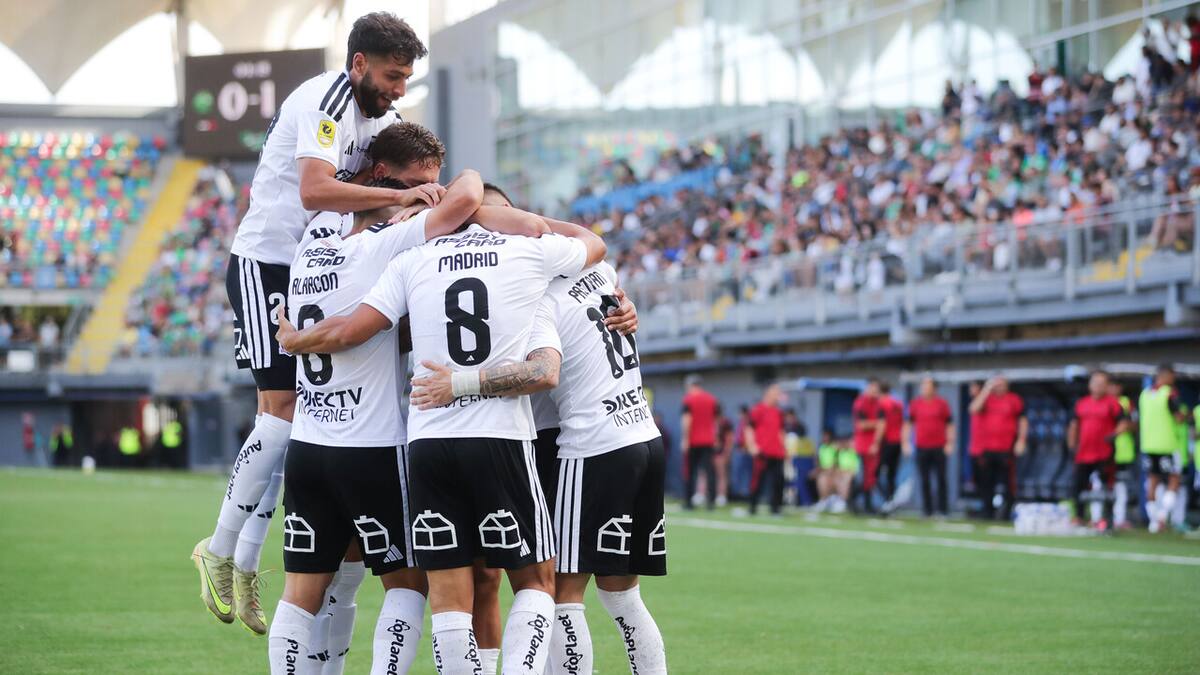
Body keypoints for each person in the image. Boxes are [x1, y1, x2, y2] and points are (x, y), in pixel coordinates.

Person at [279, 188, 607, 675]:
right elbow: (590, 241)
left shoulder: (413, 258)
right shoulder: (526, 251)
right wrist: (516, 218)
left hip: (427, 440)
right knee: (537, 582)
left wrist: (294, 339)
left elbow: (352, 329)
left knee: (449, 599)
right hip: (500, 440)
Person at [194, 12, 435, 633]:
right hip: (266, 262)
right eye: (392, 75)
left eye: (406, 78)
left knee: (303, 427)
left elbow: (398, 173)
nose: (399, 90)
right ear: (359, 64)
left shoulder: (381, 120)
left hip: (314, 267)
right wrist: (398, 198)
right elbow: (314, 189)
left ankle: (245, 562)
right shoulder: (325, 99)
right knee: (281, 414)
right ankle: (219, 549)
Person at [265, 129, 519, 673]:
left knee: (297, 598)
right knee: (408, 588)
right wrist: (430, 194)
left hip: (308, 447)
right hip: (372, 447)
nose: (428, 195)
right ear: (386, 187)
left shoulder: (311, 245)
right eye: (417, 187)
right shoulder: (385, 247)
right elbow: (468, 197)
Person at [412, 226, 665, 674]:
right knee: (623, 596)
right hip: (642, 435)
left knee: (561, 596)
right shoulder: (601, 269)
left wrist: (459, 383)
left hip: (592, 448)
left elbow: (543, 372)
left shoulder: (538, 298)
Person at [1066, 371, 1128, 530]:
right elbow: (1074, 424)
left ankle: (1107, 519)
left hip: (1104, 452)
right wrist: (1072, 443)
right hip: (1084, 452)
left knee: (1107, 486)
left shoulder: (1113, 403)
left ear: (1107, 386)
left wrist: (1114, 435)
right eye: (1095, 383)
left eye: (1102, 383)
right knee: (1079, 486)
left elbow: (1124, 423)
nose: (1098, 386)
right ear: (1090, 385)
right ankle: (1079, 517)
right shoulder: (1082, 403)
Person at [1137, 364, 1187, 533]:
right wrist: (1188, 416)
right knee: (1174, 480)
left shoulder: (1144, 394)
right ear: (1166, 376)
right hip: (1167, 444)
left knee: (1152, 481)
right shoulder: (1169, 393)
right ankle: (1162, 516)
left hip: (1148, 445)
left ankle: (1153, 523)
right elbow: (1179, 418)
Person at [969, 375, 1027, 520]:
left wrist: (1021, 440)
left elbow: (1022, 420)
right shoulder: (986, 398)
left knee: (1008, 483)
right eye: (996, 384)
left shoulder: (1014, 400)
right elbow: (973, 409)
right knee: (986, 482)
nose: (999, 386)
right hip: (987, 448)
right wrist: (986, 389)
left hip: (1006, 448)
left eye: (1002, 384)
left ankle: (1007, 513)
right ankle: (988, 511)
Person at [904, 377, 954, 518]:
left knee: (941, 478)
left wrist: (950, 442)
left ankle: (943, 510)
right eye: (923, 385)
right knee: (924, 479)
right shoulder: (915, 404)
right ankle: (927, 510)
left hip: (939, 446)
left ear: (934, 388)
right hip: (922, 446)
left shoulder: (942, 404)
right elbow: (908, 424)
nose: (924, 388)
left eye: (927, 385)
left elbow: (950, 424)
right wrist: (906, 442)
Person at [680, 374, 719, 510]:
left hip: (693, 441)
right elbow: (716, 421)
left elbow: (687, 420)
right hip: (708, 441)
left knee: (690, 472)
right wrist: (715, 437)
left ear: (690, 385)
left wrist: (685, 439)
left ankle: (688, 502)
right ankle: (711, 503)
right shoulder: (711, 399)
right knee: (709, 472)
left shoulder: (689, 400)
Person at [747, 384, 787, 516]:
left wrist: (784, 448)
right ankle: (752, 507)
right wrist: (752, 445)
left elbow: (781, 431)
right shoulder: (758, 410)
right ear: (768, 394)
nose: (778, 396)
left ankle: (776, 508)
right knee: (758, 480)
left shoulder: (778, 412)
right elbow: (749, 428)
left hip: (777, 452)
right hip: (762, 452)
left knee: (779, 480)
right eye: (776, 393)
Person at [851, 379, 884, 513]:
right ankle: (850, 500)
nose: (875, 392)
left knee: (871, 478)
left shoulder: (879, 404)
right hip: (863, 446)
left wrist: (876, 442)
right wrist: (879, 423)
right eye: (873, 388)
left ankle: (868, 505)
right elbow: (861, 425)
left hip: (874, 446)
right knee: (863, 478)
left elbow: (882, 425)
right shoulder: (861, 403)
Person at [1109, 380, 1137, 530]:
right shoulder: (1100, 402)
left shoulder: (1126, 403)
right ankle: (1097, 518)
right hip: (1102, 451)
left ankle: (1119, 519)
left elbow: (1134, 425)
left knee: (1121, 486)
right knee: (1099, 484)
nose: (1114, 388)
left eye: (1116, 385)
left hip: (1122, 452)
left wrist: (1120, 429)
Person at [877, 382, 904, 510]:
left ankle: (888, 499)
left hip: (887, 442)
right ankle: (891, 500)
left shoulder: (882, 404)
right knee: (891, 474)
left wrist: (876, 443)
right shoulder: (898, 403)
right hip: (898, 442)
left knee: (875, 473)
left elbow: (882, 425)